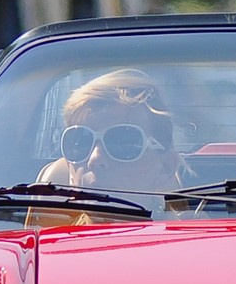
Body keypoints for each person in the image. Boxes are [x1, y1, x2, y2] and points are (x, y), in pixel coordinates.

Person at [38, 68, 184, 193]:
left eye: (122, 143)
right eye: (80, 142)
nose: (95, 159)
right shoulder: (33, 226)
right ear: (69, 166)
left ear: (166, 167)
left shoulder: (190, 226)